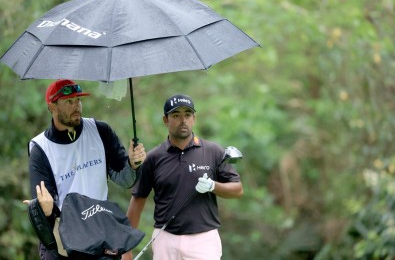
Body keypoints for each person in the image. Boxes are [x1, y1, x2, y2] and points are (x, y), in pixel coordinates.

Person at [24, 79, 147, 260]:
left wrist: (133, 164)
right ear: (52, 107)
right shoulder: (40, 148)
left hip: (100, 233)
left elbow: (125, 180)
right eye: (69, 102)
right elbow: (43, 204)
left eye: (78, 100)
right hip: (63, 241)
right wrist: (46, 210)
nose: (77, 106)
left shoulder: (100, 130)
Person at [122, 94, 243, 260]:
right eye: (176, 115)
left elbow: (237, 189)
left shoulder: (212, 151)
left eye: (187, 115)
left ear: (194, 118)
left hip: (204, 240)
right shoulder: (154, 157)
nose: (183, 120)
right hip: (165, 237)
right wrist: (126, 248)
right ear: (165, 120)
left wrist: (213, 186)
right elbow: (137, 200)